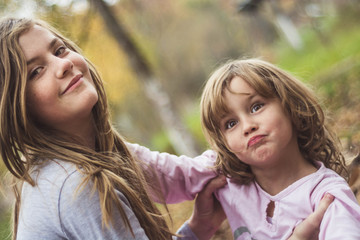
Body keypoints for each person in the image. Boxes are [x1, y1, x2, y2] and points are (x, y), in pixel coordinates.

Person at [0, 17, 333, 240]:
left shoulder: (106, 154)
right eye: (35, 72)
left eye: (60, 50)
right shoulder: (75, 188)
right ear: (15, 108)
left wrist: (199, 228)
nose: (63, 64)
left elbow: (185, 175)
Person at [128, 58, 360, 239]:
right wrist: (101, 143)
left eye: (256, 106)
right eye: (230, 123)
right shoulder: (225, 173)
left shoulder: (327, 196)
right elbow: (159, 174)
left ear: (291, 105)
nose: (247, 126)